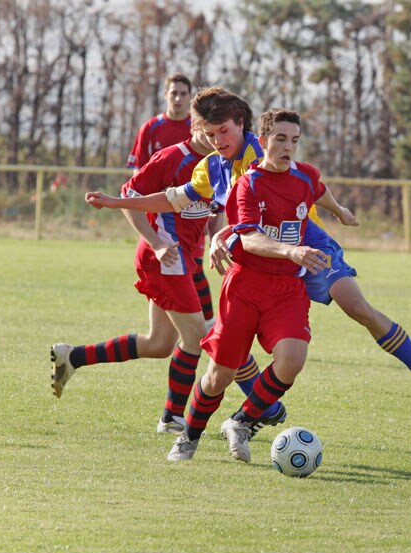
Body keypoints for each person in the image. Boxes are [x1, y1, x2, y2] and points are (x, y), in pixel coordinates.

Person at [93, 107, 331, 462]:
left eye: (294, 140)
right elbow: (230, 227)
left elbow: (320, 191)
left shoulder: (305, 175)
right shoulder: (244, 179)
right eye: (280, 139)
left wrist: (340, 212)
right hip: (245, 286)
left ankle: (242, 421)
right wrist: (118, 203)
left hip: (287, 288)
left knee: (292, 360)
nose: (288, 147)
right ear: (263, 141)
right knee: (219, 374)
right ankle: (188, 435)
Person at [51, 121, 217, 435]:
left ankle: (72, 356)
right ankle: (172, 417)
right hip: (167, 260)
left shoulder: (219, 161)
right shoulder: (172, 157)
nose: (217, 137)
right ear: (196, 125)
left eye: (224, 131)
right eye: (212, 129)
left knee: (158, 343)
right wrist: (157, 244)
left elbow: (213, 210)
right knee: (197, 337)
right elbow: (130, 194)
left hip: (185, 262)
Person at [127, 73, 215, 327]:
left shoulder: (205, 132)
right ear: (165, 95)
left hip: (194, 216)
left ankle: (204, 327)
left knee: (194, 268)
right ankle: (201, 331)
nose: (177, 98)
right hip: (162, 220)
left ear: (189, 98)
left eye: (183, 94)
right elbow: (138, 180)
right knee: (179, 276)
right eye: (173, 93)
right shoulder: (152, 128)